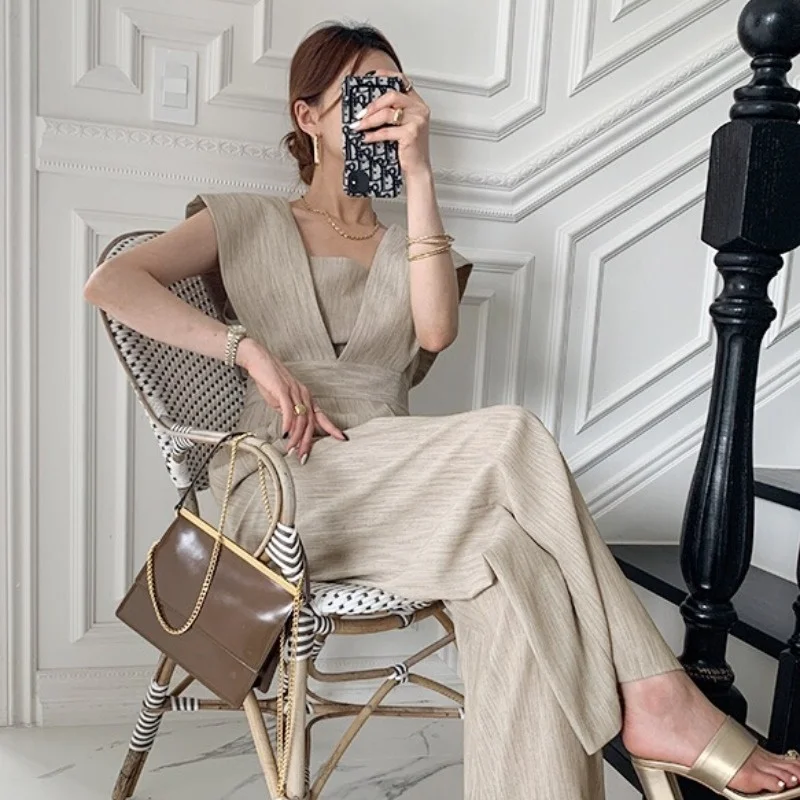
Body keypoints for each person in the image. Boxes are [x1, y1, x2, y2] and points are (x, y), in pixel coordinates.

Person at [83, 21, 800, 800]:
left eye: (396, 93)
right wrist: (245, 349)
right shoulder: (244, 218)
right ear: (307, 116)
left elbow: (434, 332)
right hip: (283, 484)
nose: (383, 109)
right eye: (362, 94)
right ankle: (658, 695)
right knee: (512, 433)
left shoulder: (412, 247)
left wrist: (419, 173)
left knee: (511, 564)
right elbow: (111, 284)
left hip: (402, 483)